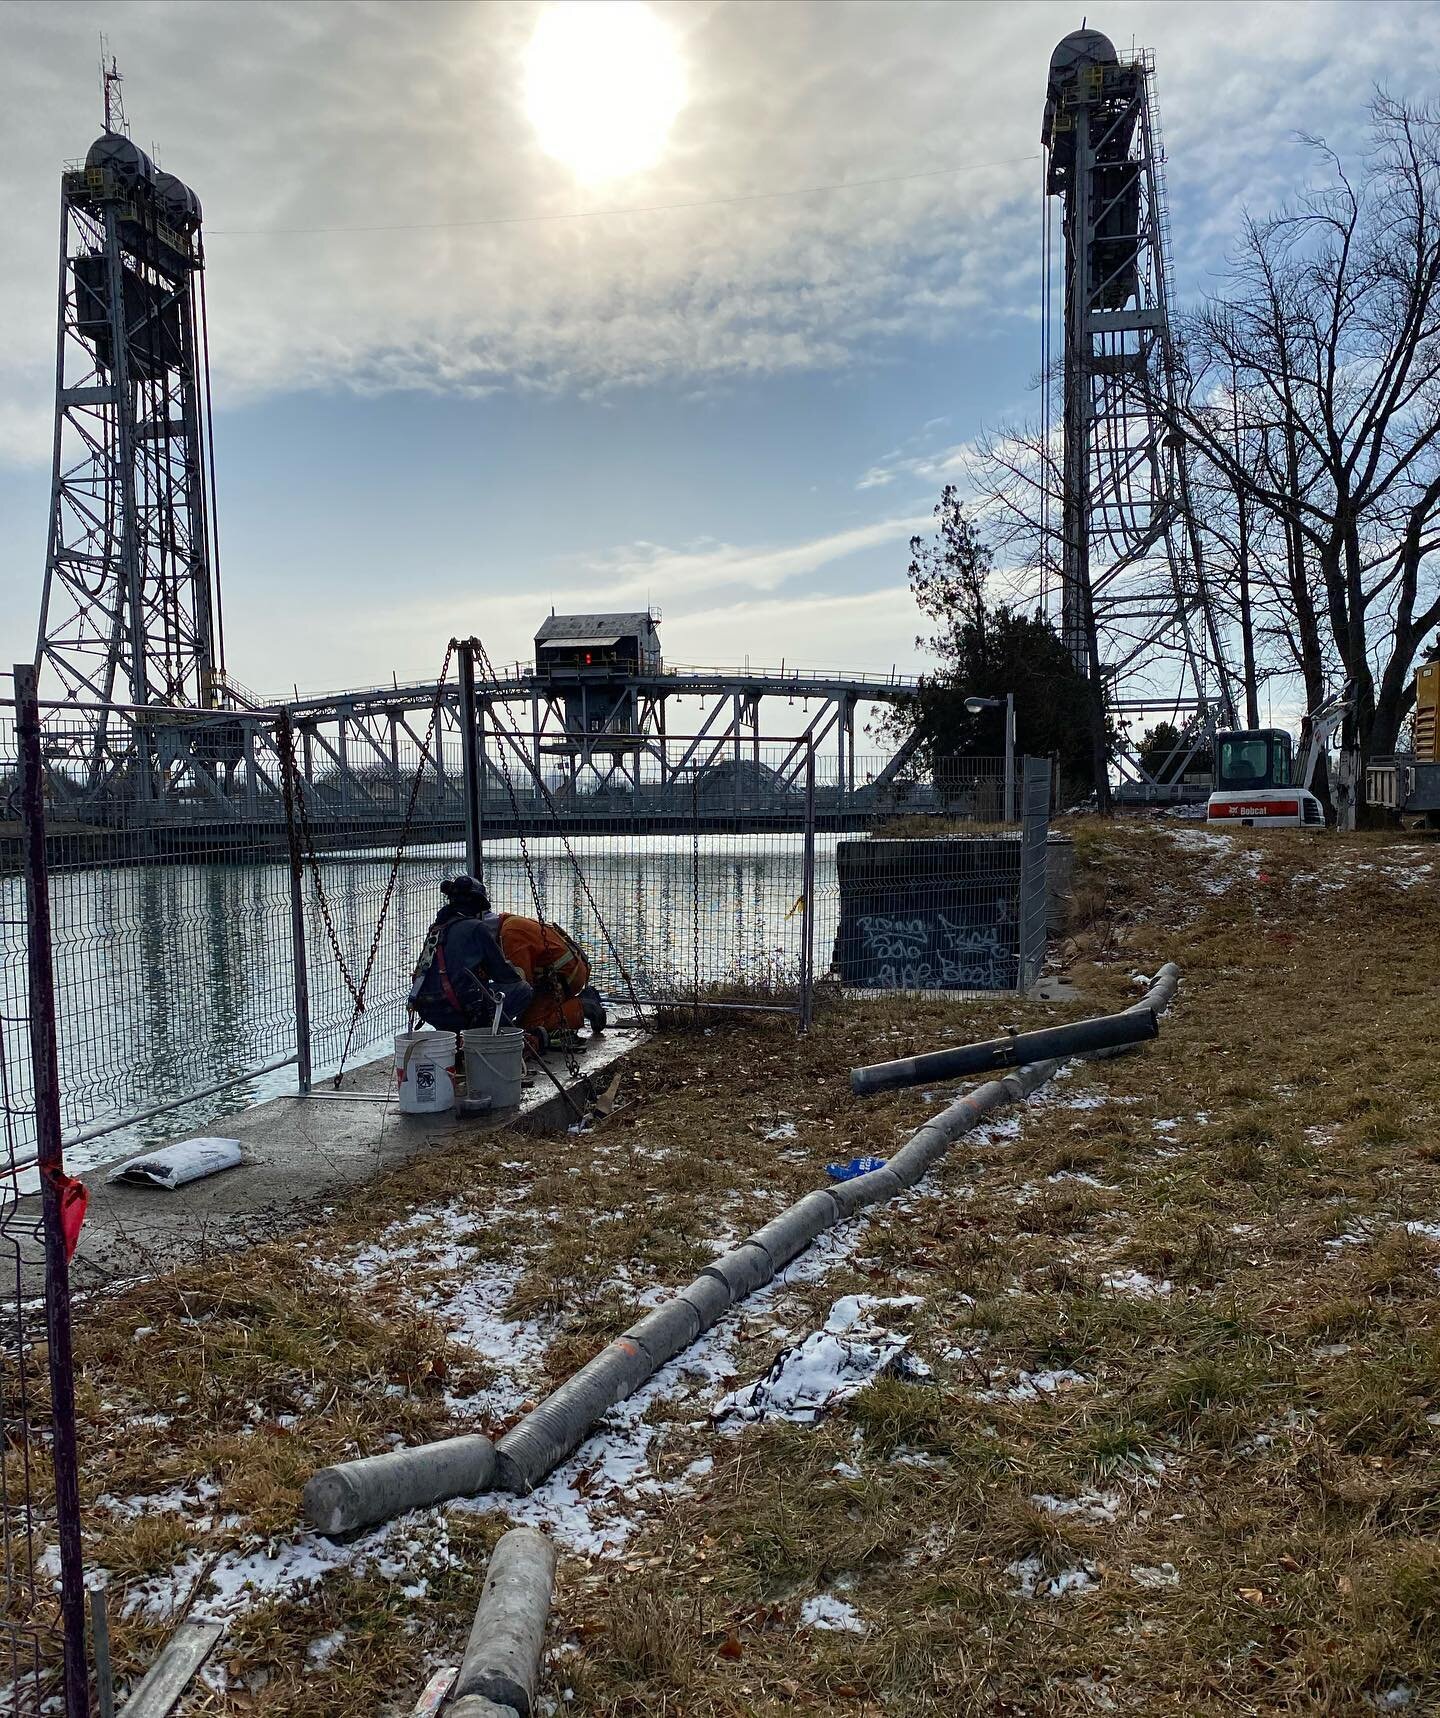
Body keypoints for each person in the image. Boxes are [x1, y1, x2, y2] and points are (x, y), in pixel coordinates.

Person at [408, 874, 606, 1050]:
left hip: (565, 976)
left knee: (521, 1008)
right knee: (523, 1006)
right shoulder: (480, 928)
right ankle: (580, 1005)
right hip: (463, 1008)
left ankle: (580, 1004)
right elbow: (513, 980)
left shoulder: (438, 928)